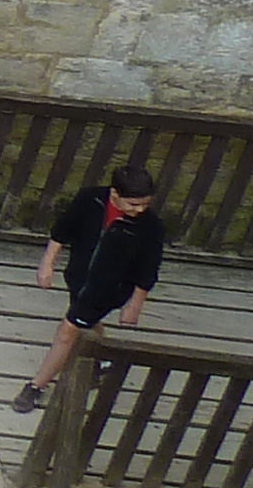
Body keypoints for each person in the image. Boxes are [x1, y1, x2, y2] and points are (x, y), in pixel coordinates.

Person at [13, 163, 167, 414]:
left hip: (110, 288)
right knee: (86, 322)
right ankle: (102, 358)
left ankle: (36, 386)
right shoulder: (89, 199)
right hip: (78, 277)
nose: (139, 210)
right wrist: (47, 265)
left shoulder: (151, 226)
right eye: (133, 204)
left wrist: (135, 305)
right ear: (114, 193)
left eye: (145, 204)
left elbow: (148, 269)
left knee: (68, 332)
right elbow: (61, 232)